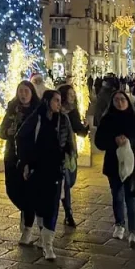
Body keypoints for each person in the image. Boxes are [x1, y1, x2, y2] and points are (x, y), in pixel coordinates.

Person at [16, 90, 74, 260]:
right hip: (37, 168)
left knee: (52, 205)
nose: (58, 104)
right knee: (36, 202)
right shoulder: (37, 118)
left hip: (56, 169)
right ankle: (34, 233)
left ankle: (48, 244)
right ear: (47, 101)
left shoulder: (63, 120)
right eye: (56, 100)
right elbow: (21, 137)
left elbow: (69, 141)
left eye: (60, 100)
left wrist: (69, 156)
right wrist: (25, 162)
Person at [94, 89, 135, 249]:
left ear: (127, 101)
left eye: (122, 100)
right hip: (113, 163)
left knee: (131, 198)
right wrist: (114, 141)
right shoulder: (107, 119)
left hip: (132, 165)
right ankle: (119, 224)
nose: (119, 102)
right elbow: (99, 142)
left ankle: (134, 232)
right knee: (117, 195)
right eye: (116, 100)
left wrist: (129, 142)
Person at [1, 80, 41, 242]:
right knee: (11, 189)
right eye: (20, 91)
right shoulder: (12, 109)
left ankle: (28, 230)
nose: (23, 94)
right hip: (12, 155)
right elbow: (1, 131)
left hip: (30, 156)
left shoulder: (37, 111)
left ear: (32, 93)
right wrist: (7, 131)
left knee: (29, 191)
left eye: (26, 91)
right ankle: (26, 210)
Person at [57, 83, 89, 228]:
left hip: (69, 152)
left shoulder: (70, 111)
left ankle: (67, 211)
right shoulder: (59, 111)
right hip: (62, 153)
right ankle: (68, 213)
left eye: (73, 94)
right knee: (66, 182)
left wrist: (85, 127)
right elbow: (80, 131)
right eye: (69, 94)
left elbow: (79, 131)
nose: (72, 97)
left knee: (68, 182)